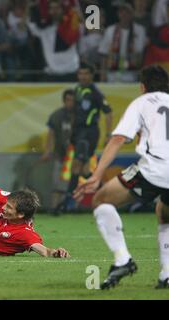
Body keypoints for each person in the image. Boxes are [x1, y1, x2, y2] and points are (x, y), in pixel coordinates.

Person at [74, 65, 169, 290]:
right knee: (164, 214)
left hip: (154, 168)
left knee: (101, 200)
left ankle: (123, 260)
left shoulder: (141, 103)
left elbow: (117, 140)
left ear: (142, 86)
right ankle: (166, 275)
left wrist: (97, 175)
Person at [56, 63, 113, 213]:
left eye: (85, 73)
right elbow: (76, 113)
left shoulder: (95, 93)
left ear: (91, 75)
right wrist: (72, 133)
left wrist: (108, 134)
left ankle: (66, 203)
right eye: (80, 73)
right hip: (78, 133)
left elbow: (108, 112)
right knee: (84, 169)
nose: (82, 76)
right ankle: (108, 194)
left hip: (89, 133)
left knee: (76, 166)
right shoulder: (78, 90)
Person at [41, 89, 76, 212]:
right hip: (60, 155)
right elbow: (51, 135)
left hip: (76, 157)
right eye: (68, 100)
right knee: (57, 182)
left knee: (74, 183)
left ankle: (71, 207)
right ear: (64, 100)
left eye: (73, 100)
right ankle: (55, 207)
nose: (70, 103)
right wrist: (48, 151)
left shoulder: (81, 116)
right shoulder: (57, 115)